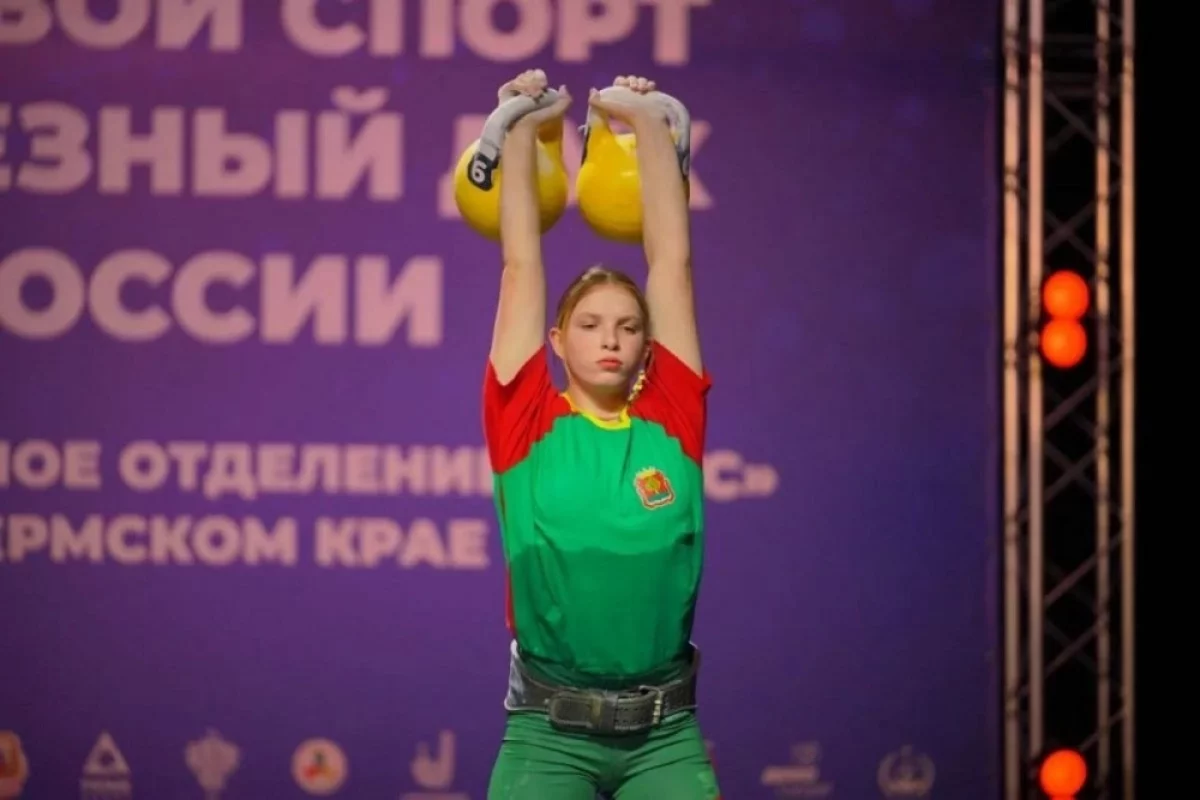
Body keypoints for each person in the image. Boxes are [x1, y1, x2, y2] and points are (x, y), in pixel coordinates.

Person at [481, 69, 719, 799]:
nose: (610, 339)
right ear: (557, 340)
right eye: (589, 324)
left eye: (628, 326)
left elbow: (672, 263)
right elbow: (520, 264)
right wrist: (522, 127)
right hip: (547, 739)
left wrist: (644, 122)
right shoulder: (525, 420)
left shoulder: (672, 419)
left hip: (666, 742)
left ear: (649, 344)